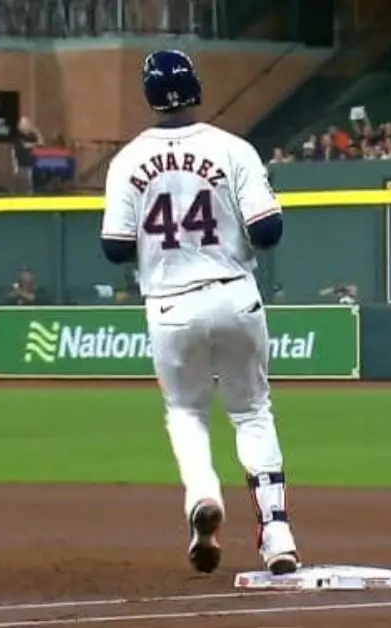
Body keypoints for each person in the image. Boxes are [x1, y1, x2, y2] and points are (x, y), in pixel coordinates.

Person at [98, 49, 301, 576]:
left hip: (169, 304)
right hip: (235, 292)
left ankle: (203, 499)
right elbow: (268, 232)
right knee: (252, 412)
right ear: (197, 89)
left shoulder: (126, 161)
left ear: (148, 97)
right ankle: (277, 533)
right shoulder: (233, 149)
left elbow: (115, 246)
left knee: (186, 413)